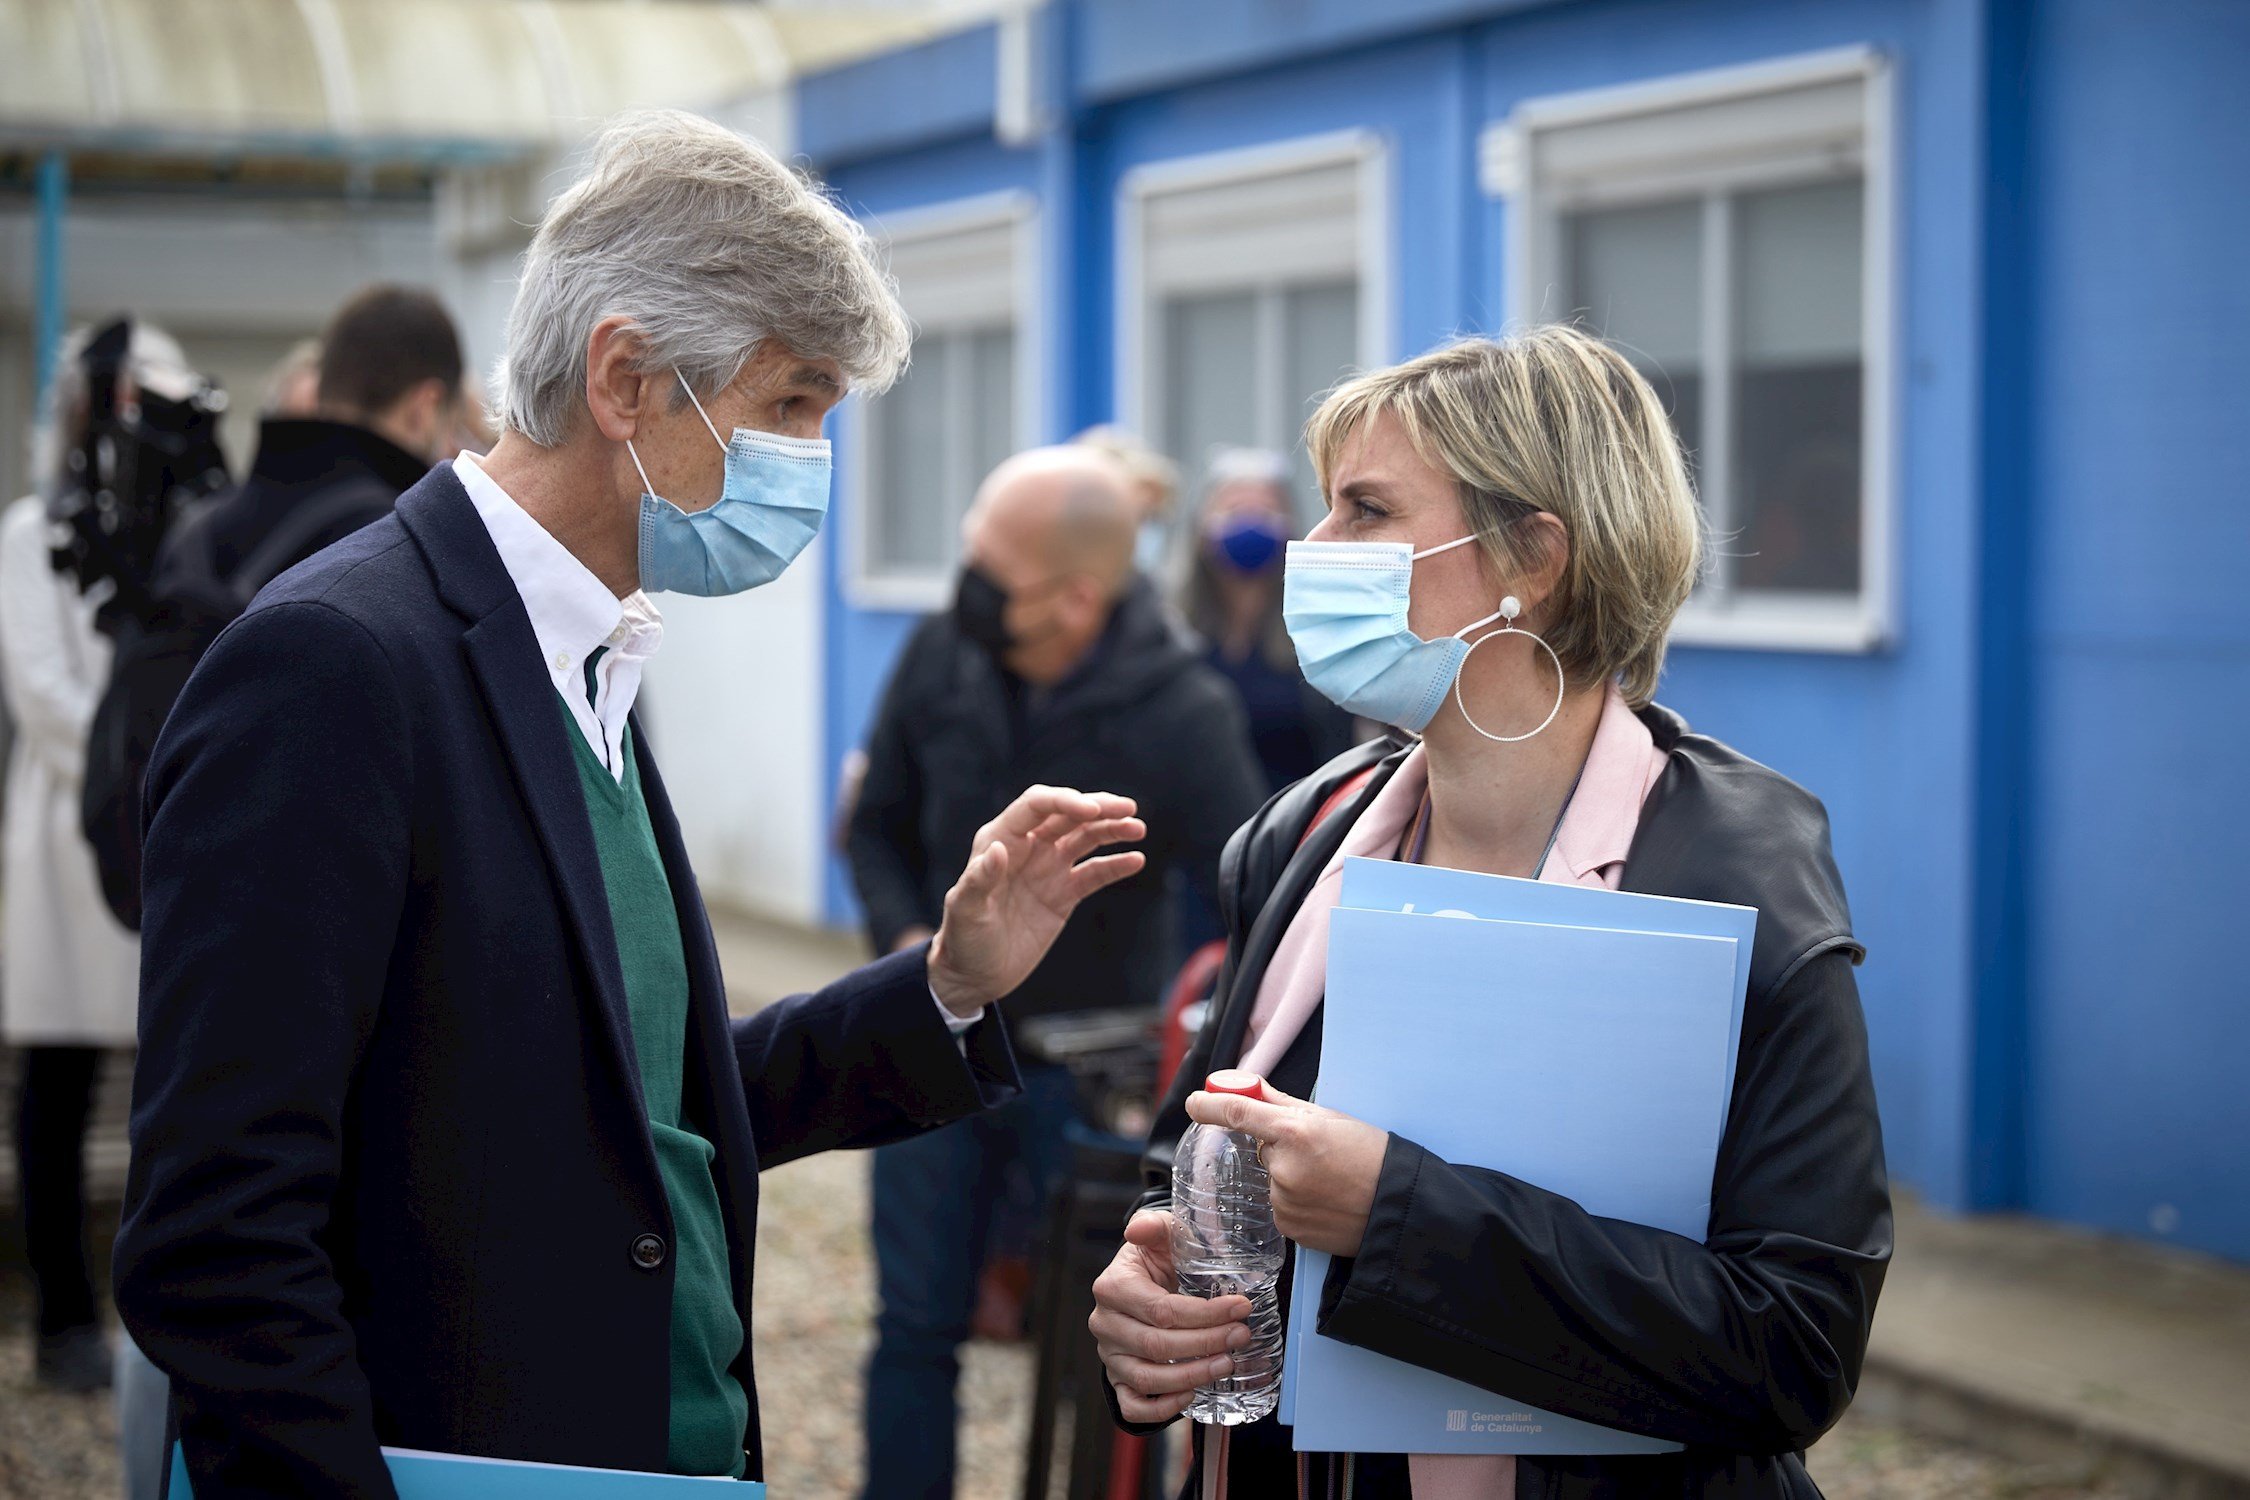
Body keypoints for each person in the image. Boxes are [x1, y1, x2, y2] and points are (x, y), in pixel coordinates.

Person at [113, 108, 1147, 1494]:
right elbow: (218, 1237)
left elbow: (636, 1094)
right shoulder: (338, 666)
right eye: (790, 403)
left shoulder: (587, 660)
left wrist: (947, 984)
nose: (812, 459)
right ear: (624, 378)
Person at [1091, 329, 1889, 1499]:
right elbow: (1195, 1157)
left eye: (1366, 510)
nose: (1313, 550)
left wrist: (1399, 1215)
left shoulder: (1735, 883)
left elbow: (1795, 1346)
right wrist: (1150, 1286)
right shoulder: (1302, 839)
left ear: (1535, 557)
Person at [846, 445, 1267, 1500]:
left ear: (1078, 597)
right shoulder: (942, 655)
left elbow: (1252, 900)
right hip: (930, 1051)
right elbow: (875, 827)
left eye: (995, 574)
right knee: (913, 1329)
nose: (966, 593)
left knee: (1105, 1353)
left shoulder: (1184, 713)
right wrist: (906, 943)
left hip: (1083, 1088)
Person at [79, 283, 467, 928]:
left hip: (179, 902)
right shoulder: (402, 544)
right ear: (426, 407)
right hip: (319, 930)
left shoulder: (205, 524)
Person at [0, 325, 166, 1392]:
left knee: (174, 1081)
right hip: (71, 834)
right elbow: (42, 689)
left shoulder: (181, 531)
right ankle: (63, 1315)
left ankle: (157, 1314)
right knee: (59, 1083)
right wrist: (138, 768)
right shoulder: (28, 531)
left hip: (164, 833)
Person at [1179, 446, 1358, 792]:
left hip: (1296, 825)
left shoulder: (1320, 633)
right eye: (1233, 510)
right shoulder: (1172, 632)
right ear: (1201, 526)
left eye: (1265, 510)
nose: (1250, 523)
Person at [1073, 424, 1181, 577]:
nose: (1141, 533)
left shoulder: (1148, 595)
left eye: (1152, 516)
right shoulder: (1037, 589)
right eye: (1137, 516)